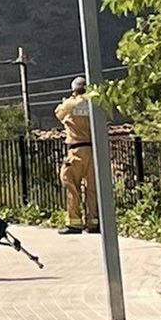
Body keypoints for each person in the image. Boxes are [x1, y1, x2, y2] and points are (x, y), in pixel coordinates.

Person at [54, 76, 98, 235]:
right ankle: (94, 222)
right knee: (92, 187)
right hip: (93, 150)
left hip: (76, 149)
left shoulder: (70, 103)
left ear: (73, 89)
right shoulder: (94, 102)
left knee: (70, 183)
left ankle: (75, 222)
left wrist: (70, 99)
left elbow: (58, 113)